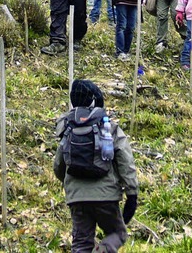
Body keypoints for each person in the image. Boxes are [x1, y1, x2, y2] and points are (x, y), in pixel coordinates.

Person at [54, 79, 138, 253]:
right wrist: (131, 193)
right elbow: (125, 160)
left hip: (77, 198)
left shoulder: (68, 128)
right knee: (118, 233)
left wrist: (71, 185)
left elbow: (59, 166)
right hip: (106, 196)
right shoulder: (108, 127)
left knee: (81, 243)